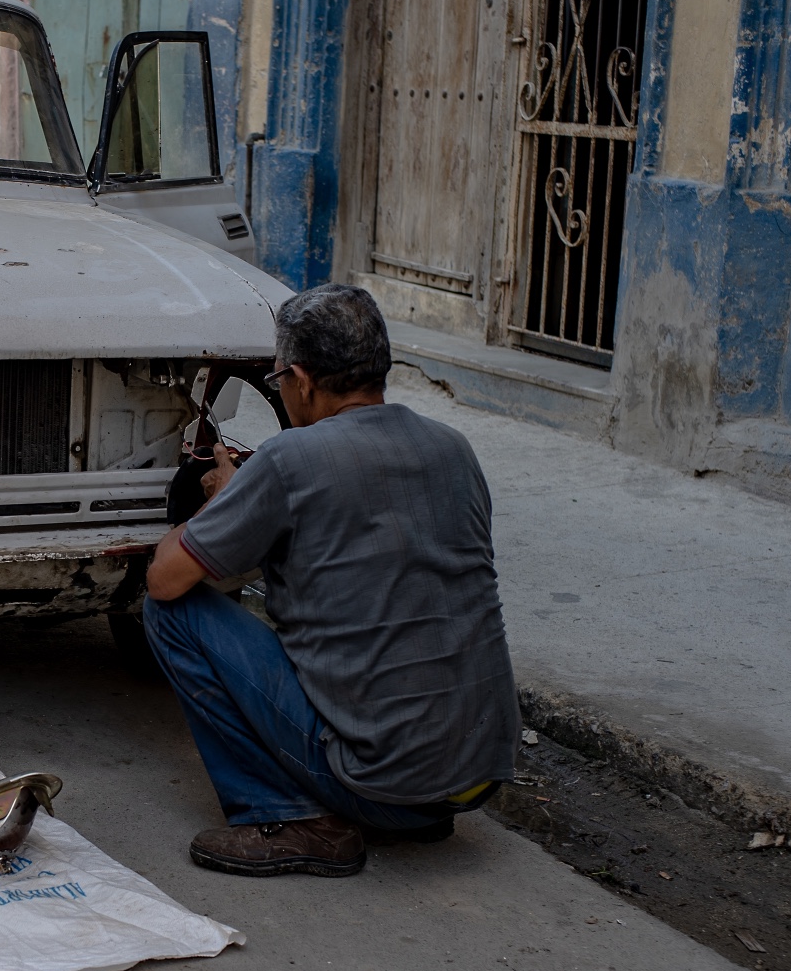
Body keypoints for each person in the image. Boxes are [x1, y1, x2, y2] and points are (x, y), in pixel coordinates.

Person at [140, 283, 518, 879]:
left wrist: (224, 505)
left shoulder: (290, 461)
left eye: (278, 384)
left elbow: (165, 579)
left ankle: (291, 818)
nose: (283, 394)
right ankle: (411, 805)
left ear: (302, 380)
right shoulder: (454, 448)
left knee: (168, 615)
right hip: (477, 775)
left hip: (381, 786)